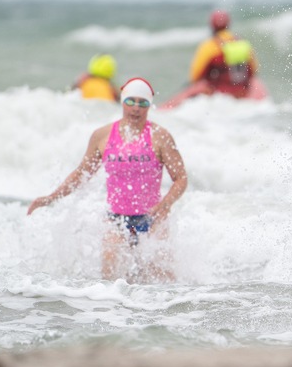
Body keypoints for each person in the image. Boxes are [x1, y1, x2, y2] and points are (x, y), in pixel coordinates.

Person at [28, 77, 188, 282]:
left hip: (153, 219)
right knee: (111, 279)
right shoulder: (102, 136)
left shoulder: (160, 137)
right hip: (117, 220)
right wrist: (51, 197)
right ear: (122, 102)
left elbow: (181, 178)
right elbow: (81, 174)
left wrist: (165, 204)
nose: (136, 108)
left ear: (149, 105)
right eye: (131, 101)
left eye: (143, 103)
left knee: (162, 279)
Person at [160, 9, 267, 108]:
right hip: (242, 92)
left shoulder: (209, 45)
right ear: (228, 24)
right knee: (257, 82)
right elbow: (254, 71)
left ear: (212, 26)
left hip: (219, 94)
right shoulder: (243, 43)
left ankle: (163, 109)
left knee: (198, 85)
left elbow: (195, 76)